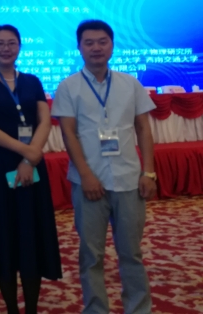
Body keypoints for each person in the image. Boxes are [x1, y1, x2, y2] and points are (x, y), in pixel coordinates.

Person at [51, 20, 157, 314]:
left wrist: (148, 172)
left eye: (102, 42)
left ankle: (139, 308)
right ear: (79, 47)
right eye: (89, 42)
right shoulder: (68, 86)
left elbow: (143, 129)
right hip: (88, 181)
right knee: (91, 254)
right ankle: (96, 309)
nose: (96, 48)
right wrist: (86, 175)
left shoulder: (130, 83)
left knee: (131, 253)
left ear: (112, 45)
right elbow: (68, 134)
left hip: (129, 179)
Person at [0, 24, 62, 314]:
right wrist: (26, 152)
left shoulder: (32, 81)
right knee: (3, 234)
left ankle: (31, 308)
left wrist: (29, 160)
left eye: (11, 43)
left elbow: (44, 120)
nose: (5, 48)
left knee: (32, 233)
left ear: (20, 46)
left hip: (32, 168)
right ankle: (11, 308)